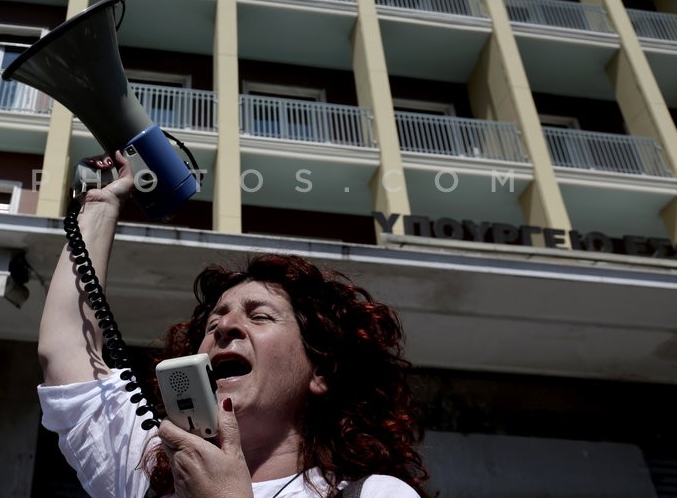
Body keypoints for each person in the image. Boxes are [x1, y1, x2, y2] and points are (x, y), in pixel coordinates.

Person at [36, 153, 432, 498]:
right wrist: (103, 204)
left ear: (321, 370)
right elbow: (66, 352)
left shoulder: (377, 493)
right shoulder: (151, 473)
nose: (225, 327)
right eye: (215, 320)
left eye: (259, 316)